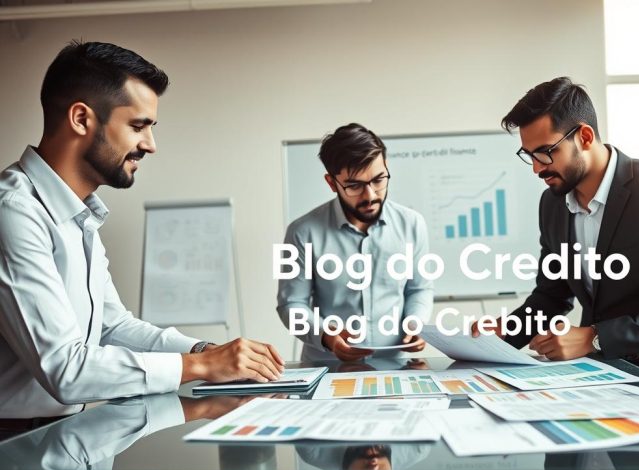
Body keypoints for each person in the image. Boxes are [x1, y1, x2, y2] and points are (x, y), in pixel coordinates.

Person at [0, 41, 284, 438]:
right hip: (14, 445)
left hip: (65, 435)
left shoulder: (78, 214)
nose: (150, 144)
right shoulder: (13, 211)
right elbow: (65, 369)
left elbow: (112, 327)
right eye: (138, 126)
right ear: (81, 119)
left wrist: (205, 352)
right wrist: (201, 367)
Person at [475, 77, 639, 408]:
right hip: (599, 383)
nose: (536, 169)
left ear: (584, 136)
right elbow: (552, 294)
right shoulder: (554, 204)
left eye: (545, 153)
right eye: (528, 155)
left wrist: (594, 336)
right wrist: (502, 336)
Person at [277, 123, 432, 362]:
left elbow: (419, 289)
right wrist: (326, 336)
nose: (370, 195)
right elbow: (292, 304)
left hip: (396, 366)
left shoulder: (413, 224)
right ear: (332, 183)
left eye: (378, 180)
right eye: (354, 186)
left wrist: (415, 324)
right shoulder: (301, 232)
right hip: (327, 367)